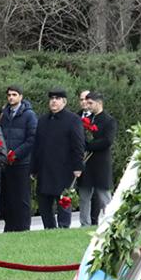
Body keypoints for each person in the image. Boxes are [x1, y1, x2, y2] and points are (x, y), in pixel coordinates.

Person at [30, 88, 85, 229]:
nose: (54, 101)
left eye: (57, 99)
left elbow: (78, 145)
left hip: (64, 169)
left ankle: (63, 227)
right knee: (44, 203)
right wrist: (33, 168)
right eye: (52, 98)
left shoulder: (73, 120)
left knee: (63, 201)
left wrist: (78, 166)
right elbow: (37, 146)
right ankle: (49, 228)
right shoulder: (42, 120)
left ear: (64, 102)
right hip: (44, 169)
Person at [0, 85, 38, 232]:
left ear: (20, 96)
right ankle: (10, 227)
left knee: (22, 197)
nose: (11, 97)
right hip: (6, 162)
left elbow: (32, 138)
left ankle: (23, 227)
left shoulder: (29, 115)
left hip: (22, 162)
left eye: (14, 95)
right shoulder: (5, 113)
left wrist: (16, 154)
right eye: (9, 95)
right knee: (8, 196)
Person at [79, 91, 118, 226]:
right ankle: (84, 224)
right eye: (86, 102)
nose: (87, 106)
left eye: (90, 103)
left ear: (99, 103)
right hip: (87, 163)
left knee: (104, 196)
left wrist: (89, 145)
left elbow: (107, 141)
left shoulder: (109, 120)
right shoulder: (86, 120)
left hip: (101, 163)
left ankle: (111, 223)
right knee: (84, 196)